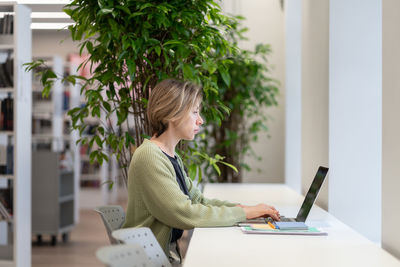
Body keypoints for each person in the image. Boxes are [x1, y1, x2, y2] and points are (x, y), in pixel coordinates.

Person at [122, 79, 280, 264]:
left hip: (163, 256)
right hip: (149, 261)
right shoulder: (149, 156)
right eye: (195, 112)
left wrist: (245, 209)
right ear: (173, 113)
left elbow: (198, 200)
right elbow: (185, 213)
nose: (200, 120)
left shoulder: (170, 156)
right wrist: (245, 214)